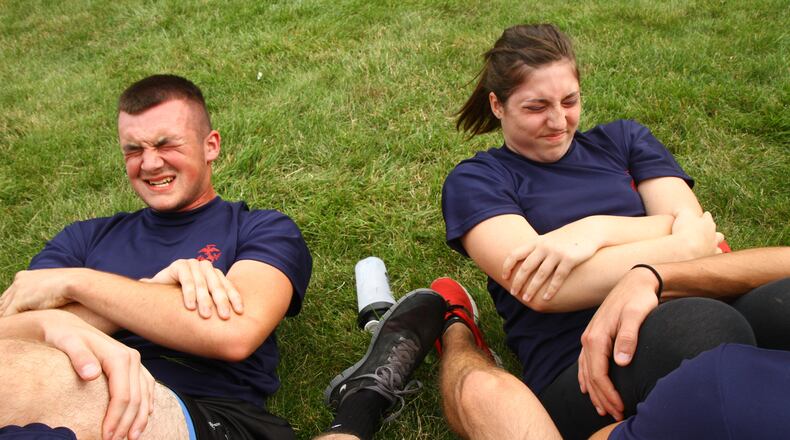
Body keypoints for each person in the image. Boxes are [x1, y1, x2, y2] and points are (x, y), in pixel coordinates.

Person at [440, 23, 783, 438]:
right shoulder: (478, 180)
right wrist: (674, 239)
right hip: (584, 361)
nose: (558, 121)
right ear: (498, 105)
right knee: (702, 327)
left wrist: (593, 233)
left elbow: (700, 241)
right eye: (536, 107)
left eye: (570, 101)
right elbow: (547, 289)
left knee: (779, 303)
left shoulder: (624, 140)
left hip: (686, 297)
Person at [0, 74, 312, 440]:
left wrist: (77, 284)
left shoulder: (261, 229)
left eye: (166, 144)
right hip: (77, 384)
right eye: (133, 150)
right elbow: (9, 337)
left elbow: (234, 333)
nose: (149, 164)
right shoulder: (81, 239)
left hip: (198, 410)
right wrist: (156, 289)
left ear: (210, 146)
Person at [431, 246, 790, 439]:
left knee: (480, 389)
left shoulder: (719, 395)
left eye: (569, 101)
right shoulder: (625, 136)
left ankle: (457, 331)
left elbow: (540, 289)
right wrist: (656, 269)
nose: (557, 119)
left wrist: (587, 238)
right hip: (721, 358)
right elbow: (699, 235)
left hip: (588, 377)